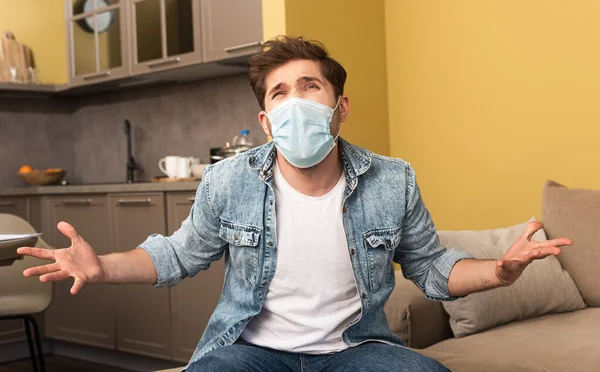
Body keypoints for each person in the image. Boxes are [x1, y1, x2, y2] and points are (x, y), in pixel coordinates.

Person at [17, 36, 572, 372]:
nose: (294, 103)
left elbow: (431, 267)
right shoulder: (228, 180)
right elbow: (180, 254)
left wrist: (501, 271)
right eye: (279, 94)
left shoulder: (392, 180)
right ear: (265, 121)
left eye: (309, 87)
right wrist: (102, 266)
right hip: (250, 350)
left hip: (356, 352)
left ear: (340, 106)